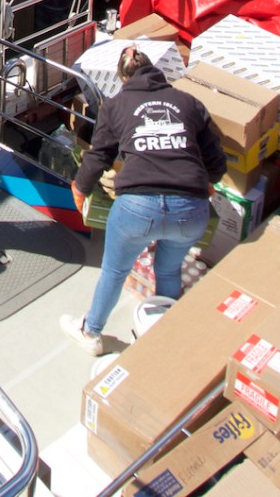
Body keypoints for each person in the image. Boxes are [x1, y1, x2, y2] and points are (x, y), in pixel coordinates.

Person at [61, 44, 225, 354]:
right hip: (190, 210)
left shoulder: (116, 105)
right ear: (158, 73)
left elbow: (99, 156)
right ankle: (165, 332)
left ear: (123, 79)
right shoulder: (189, 102)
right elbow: (216, 163)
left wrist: (80, 189)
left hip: (137, 207)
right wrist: (206, 185)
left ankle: (91, 331)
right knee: (168, 270)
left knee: (114, 270)